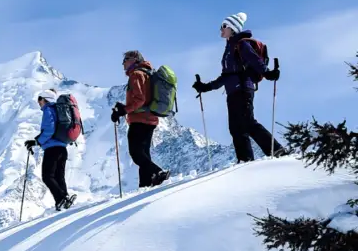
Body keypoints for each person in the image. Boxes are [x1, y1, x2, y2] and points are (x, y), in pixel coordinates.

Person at [192, 12, 285, 163]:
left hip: (242, 89)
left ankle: (278, 150)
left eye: (224, 26)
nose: (220, 29)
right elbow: (226, 76)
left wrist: (267, 73)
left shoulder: (241, 44)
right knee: (235, 128)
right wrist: (206, 87)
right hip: (233, 92)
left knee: (248, 123)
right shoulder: (229, 48)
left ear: (232, 28)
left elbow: (254, 60)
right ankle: (245, 160)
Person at [112, 50, 171, 188]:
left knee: (136, 153)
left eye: (125, 60)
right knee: (143, 153)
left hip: (139, 119)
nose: (123, 63)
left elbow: (139, 99)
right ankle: (146, 184)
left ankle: (158, 172)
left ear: (133, 59)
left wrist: (123, 110)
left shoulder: (136, 74)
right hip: (150, 119)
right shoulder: (147, 74)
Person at [24, 89, 76, 211]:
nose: (39, 103)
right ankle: (65, 198)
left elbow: (49, 130)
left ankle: (61, 199)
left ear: (45, 99)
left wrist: (37, 141)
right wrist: (36, 141)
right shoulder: (58, 110)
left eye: (40, 99)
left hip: (52, 149)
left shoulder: (48, 110)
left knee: (47, 176)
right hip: (62, 148)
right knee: (59, 176)